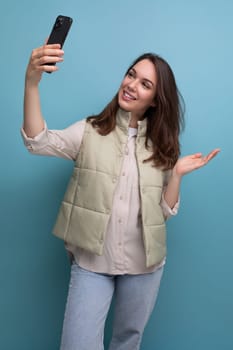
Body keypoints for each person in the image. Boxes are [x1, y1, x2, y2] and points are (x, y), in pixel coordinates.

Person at [21, 43, 220, 350]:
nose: (131, 85)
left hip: (145, 266)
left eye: (145, 84)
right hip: (91, 261)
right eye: (131, 75)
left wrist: (177, 174)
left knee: (128, 342)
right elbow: (37, 142)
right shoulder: (89, 131)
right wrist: (31, 83)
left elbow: (163, 212)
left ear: (155, 100)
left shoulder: (164, 147)